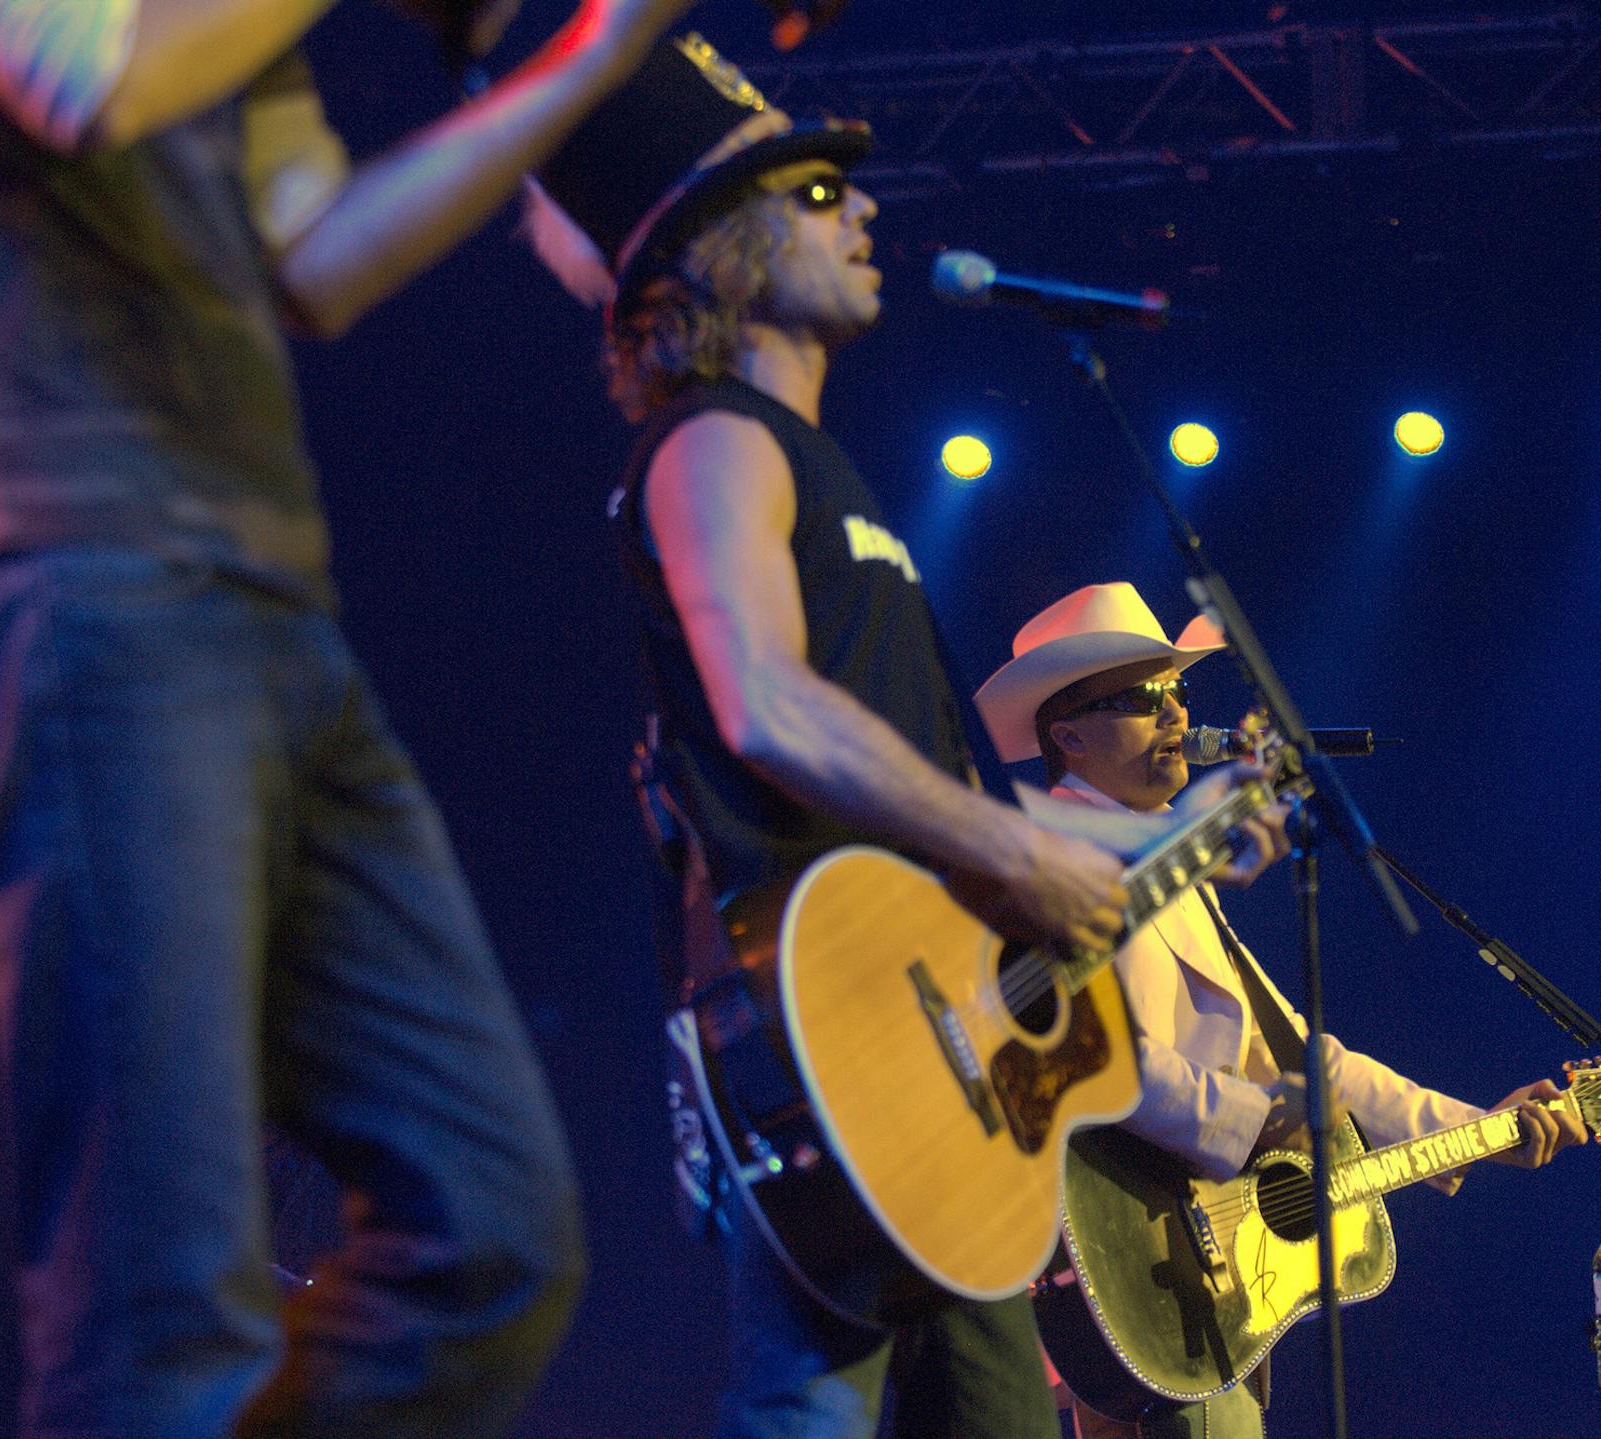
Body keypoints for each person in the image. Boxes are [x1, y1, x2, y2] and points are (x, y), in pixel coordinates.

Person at [0, 2, 697, 1435]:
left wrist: (593, 50)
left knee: (491, 1232)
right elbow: (99, 84)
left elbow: (318, 262)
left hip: (269, 603)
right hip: (77, 575)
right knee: (161, 1304)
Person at [520, 34, 1266, 1439]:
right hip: (837, 1031)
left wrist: (1188, 826)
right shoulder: (712, 445)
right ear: (724, 251)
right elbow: (760, 699)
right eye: (815, 197)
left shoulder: (829, 473)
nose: (862, 211)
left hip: (956, 1063)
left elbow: (945, 793)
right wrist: (1008, 843)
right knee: (802, 1404)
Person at [974, 582, 1592, 1439]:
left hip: (1198, 1280)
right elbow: (1083, 1051)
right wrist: (1252, 1119)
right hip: (1124, 1262)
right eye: (1139, 698)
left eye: (1177, 691)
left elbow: (1304, 1056)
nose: (1173, 713)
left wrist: (1483, 1128)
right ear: (1068, 736)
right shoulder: (1057, 861)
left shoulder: (1167, 864)